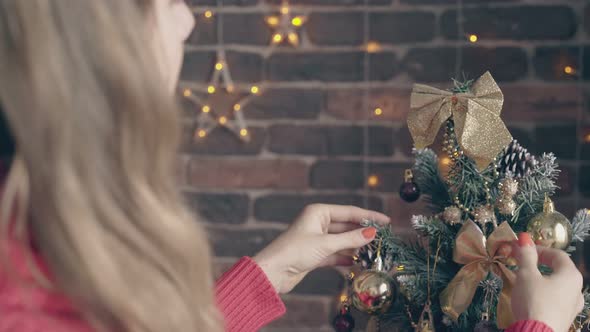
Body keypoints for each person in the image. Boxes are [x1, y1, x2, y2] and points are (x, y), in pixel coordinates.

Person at [0, 1, 583, 332]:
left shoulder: (43, 249)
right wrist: (542, 327)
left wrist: (270, 272)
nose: (187, 21)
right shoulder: (27, 300)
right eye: (169, 1)